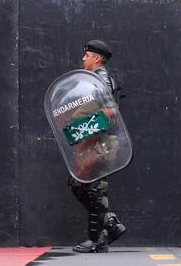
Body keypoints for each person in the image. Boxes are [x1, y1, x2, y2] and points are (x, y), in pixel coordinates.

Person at [69, 40, 126, 253]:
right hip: (95, 142)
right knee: (84, 187)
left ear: (97, 58)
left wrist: (87, 128)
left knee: (92, 189)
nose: (84, 58)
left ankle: (96, 239)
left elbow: (110, 113)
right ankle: (110, 225)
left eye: (87, 55)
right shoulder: (94, 80)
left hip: (101, 143)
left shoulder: (101, 81)